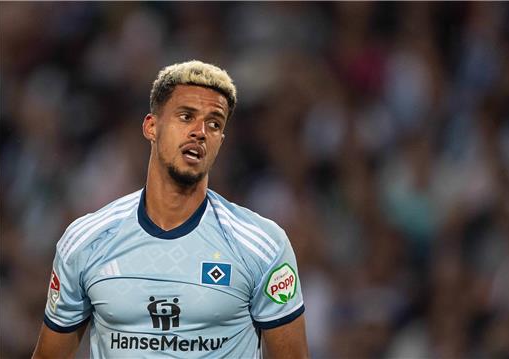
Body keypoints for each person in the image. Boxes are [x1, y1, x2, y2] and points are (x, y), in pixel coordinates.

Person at [32, 60, 309, 358]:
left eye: (214, 123)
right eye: (186, 116)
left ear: (221, 141)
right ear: (151, 126)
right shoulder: (86, 241)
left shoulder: (262, 246)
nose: (200, 132)